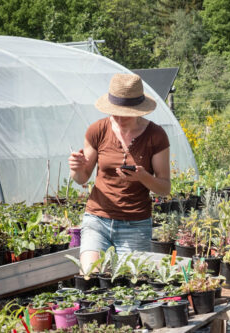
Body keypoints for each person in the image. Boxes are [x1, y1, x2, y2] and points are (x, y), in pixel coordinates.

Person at [68, 73, 170, 271]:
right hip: (97, 219)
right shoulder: (97, 130)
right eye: (115, 112)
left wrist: (143, 177)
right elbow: (82, 178)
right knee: (90, 275)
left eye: (125, 113)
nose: (119, 117)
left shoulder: (156, 136)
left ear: (138, 111)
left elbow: (165, 187)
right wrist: (76, 169)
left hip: (135, 224)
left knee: (129, 285)